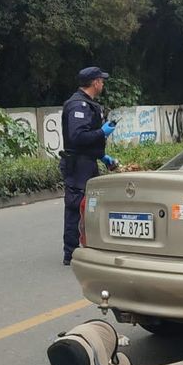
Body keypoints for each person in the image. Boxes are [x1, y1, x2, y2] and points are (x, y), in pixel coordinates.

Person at [60, 67, 119, 266]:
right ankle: (70, 253)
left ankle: (91, 245)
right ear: (95, 83)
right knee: (75, 205)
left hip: (87, 162)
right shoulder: (78, 105)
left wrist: (103, 157)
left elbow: (87, 142)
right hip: (78, 165)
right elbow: (77, 137)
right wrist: (102, 133)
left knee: (92, 205)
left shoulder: (89, 104)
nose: (103, 84)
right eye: (101, 81)